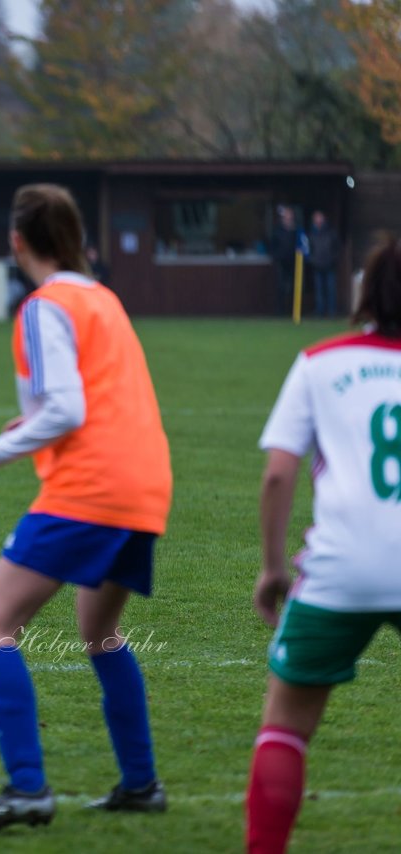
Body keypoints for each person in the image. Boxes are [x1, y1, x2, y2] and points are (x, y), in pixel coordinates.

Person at [0, 184, 174, 832]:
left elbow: (69, 408)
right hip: (145, 482)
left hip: (92, 487)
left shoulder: (44, 305)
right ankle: (141, 784)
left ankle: (27, 789)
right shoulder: (103, 298)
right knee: (99, 631)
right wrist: (30, 425)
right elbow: (90, 397)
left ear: (18, 242)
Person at [246, 234, 401, 853]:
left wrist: (272, 569)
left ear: (364, 293)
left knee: (285, 727)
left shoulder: (320, 360)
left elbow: (280, 471)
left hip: (342, 569)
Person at [269, 206, 309, 316]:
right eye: (286, 215)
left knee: (294, 287)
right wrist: (276, 256)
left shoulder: (297, 230)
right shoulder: (278, 230)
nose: (288, 217)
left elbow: (303, 244)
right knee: (281, 287)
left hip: (294, 262)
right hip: (282, 262)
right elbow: (272, 245)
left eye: (289, 215)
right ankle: (280, 310)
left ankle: (294, 311)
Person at [306, 210, 341, 318]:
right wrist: (312, 260)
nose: (319, 220)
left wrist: (332, 259)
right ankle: (320, 311)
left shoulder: (331, 232)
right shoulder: (311, 234)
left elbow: (337, 248)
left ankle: (332, 311)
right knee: (319, 290)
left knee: (330, 289)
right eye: (316, 218)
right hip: (317, 265)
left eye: (320, 217)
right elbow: (308, 250)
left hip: (329, 264)